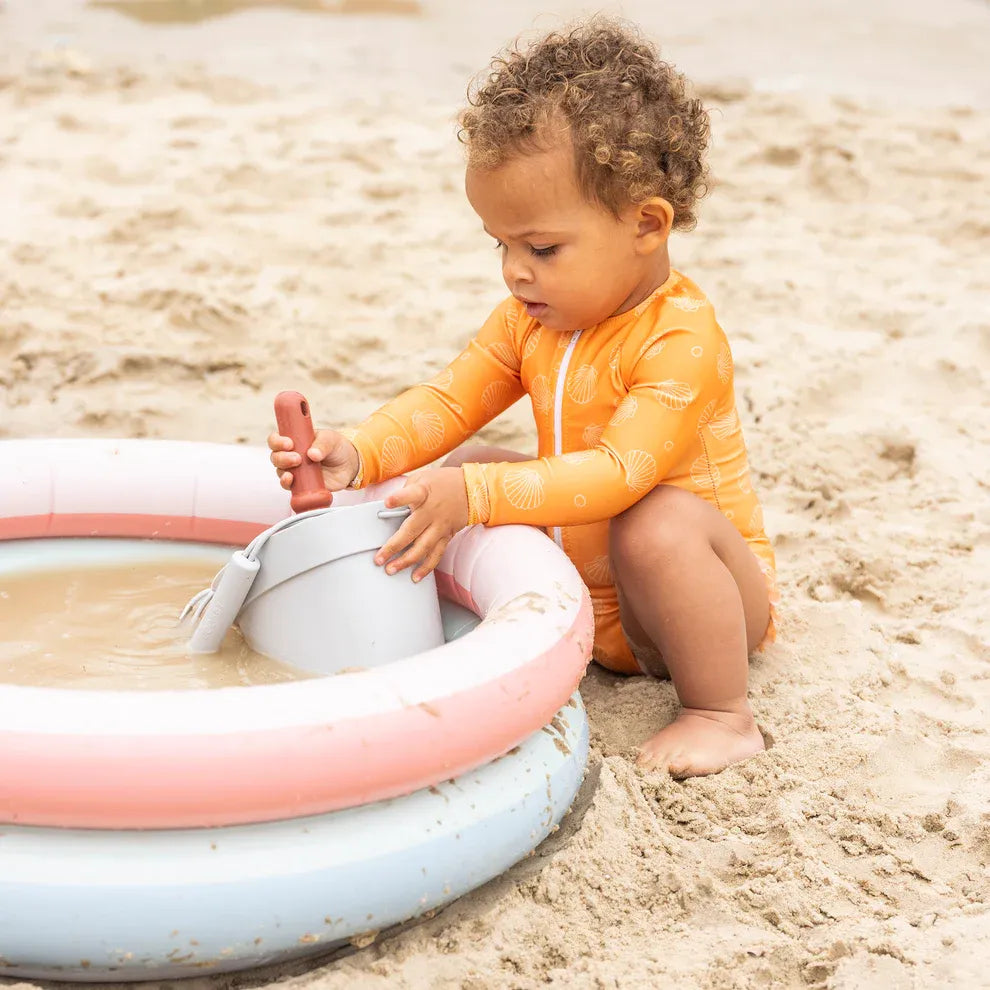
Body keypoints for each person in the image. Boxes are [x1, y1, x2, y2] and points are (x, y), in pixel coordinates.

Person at [269, 17, 779, 778]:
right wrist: (361, 449)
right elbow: (447, 400)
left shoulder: (682, 338)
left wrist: (477, 493)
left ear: (646, 224)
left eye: (541, 248)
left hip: (693, 612)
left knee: (654, 521)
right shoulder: (529, 320)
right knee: (469, 461)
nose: (515, 271)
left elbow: (616, 476)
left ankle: (720, 714)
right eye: (499, 244)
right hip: (595, 593)